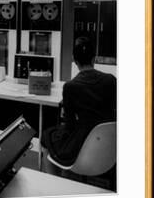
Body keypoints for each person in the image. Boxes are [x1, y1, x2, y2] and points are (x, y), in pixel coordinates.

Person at [43, 36, 117, 169]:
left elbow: (69, 125)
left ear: (75, 60)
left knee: (47, 136)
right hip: (109, 144)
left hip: (83, 143)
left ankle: (53, 181)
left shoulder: (70, 86)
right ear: (93, 58)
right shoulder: (111, 80)